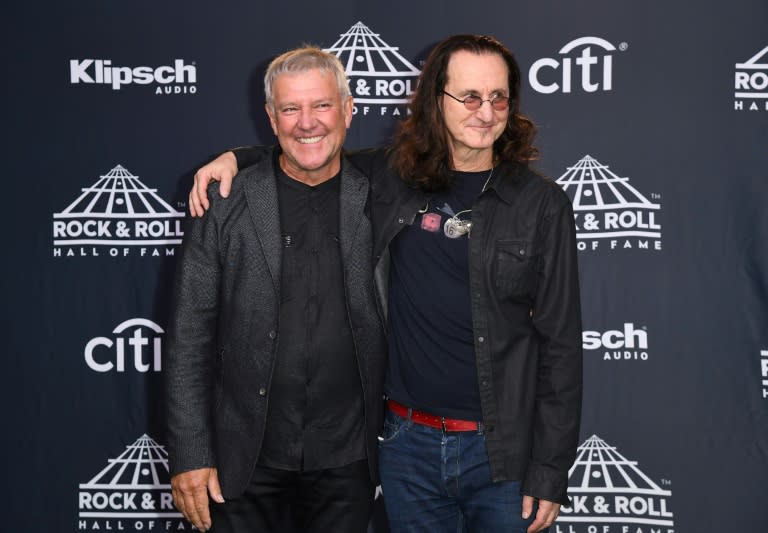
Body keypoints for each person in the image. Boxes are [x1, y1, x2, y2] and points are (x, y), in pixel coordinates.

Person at [190, 35, 582, 533]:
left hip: (503, 454)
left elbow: (562, 346)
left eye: (497, 97)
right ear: (435, 100)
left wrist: (549, 471)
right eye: (468, 96)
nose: (485, 112)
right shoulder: (392, 176)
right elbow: (312, 149)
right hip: (406, 448)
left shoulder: (542, 205)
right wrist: (238, 157)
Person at [165, 47, 387, 533]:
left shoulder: (381, 194)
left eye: (322, 106)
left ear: (349, 110)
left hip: (347, 461)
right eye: (290, 109)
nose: (307, 123)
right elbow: (189, 340)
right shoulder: (225, 204)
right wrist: (190, 455)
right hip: (241, 463)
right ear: (270, 117)